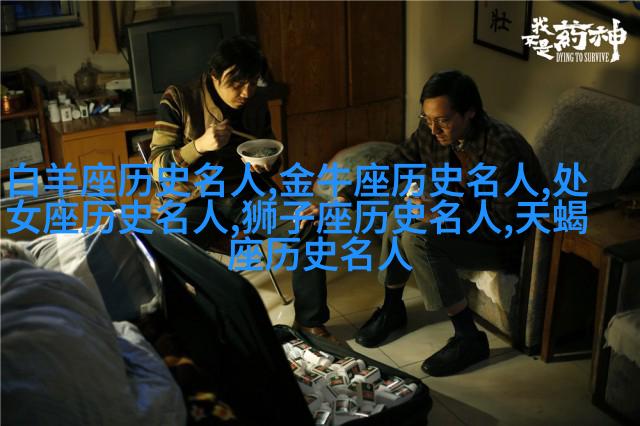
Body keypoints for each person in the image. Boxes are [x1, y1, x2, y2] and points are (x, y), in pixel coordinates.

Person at [335, 70, 548, 376]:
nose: (433, 129)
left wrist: (439, 215)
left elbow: (505, 223)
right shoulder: (431, 131)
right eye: (427, 118)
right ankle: (392, 309)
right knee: (398, 217)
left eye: (443, 120)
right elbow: (393, 166)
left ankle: (468, 337)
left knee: (418, 236)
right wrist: (347, 196)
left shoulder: (504, 148)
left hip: (503, 240)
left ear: (470, 112)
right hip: (462, 220)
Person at [149, 35, 335, 342]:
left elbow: (271, 152)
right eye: (237, 83)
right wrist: (199, 146)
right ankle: (189, 330)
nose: (246, 92)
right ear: (214, 75)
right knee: (167, 241)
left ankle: (310, 323)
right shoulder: (180, 98)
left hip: (247, 195)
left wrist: (267, 164)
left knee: (310, 221)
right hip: (193, 199)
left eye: (252, 82)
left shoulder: (255, 103)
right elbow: (157, 167)